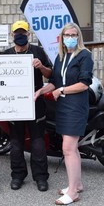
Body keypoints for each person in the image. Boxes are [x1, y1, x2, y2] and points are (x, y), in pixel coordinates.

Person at [35, 22, 93, 205]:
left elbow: (84, 83)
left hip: (75, 107)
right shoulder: (60, 57)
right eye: (67, 35)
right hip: (63, 107)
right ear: (62, 38)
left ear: (78, 37)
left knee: (68, 149)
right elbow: (54, 81)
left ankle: (73, 192)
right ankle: (77, 184)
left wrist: (61, 91)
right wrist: (40, 92)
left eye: (73, 34)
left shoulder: (85, 56)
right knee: (72, 148)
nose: (70, 38)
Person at [3, 20, 52, 192]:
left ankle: (40, 177)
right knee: (16, 143)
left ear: (28, 35)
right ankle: (17, 176)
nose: (20, 36)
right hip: (15, 104)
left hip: (35, 102)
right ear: (12, 35)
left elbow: (50, 74)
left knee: (38, 143)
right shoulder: (6, 54)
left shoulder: (38, 51)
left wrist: (41, 67)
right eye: (17, 33)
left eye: (23, 33)